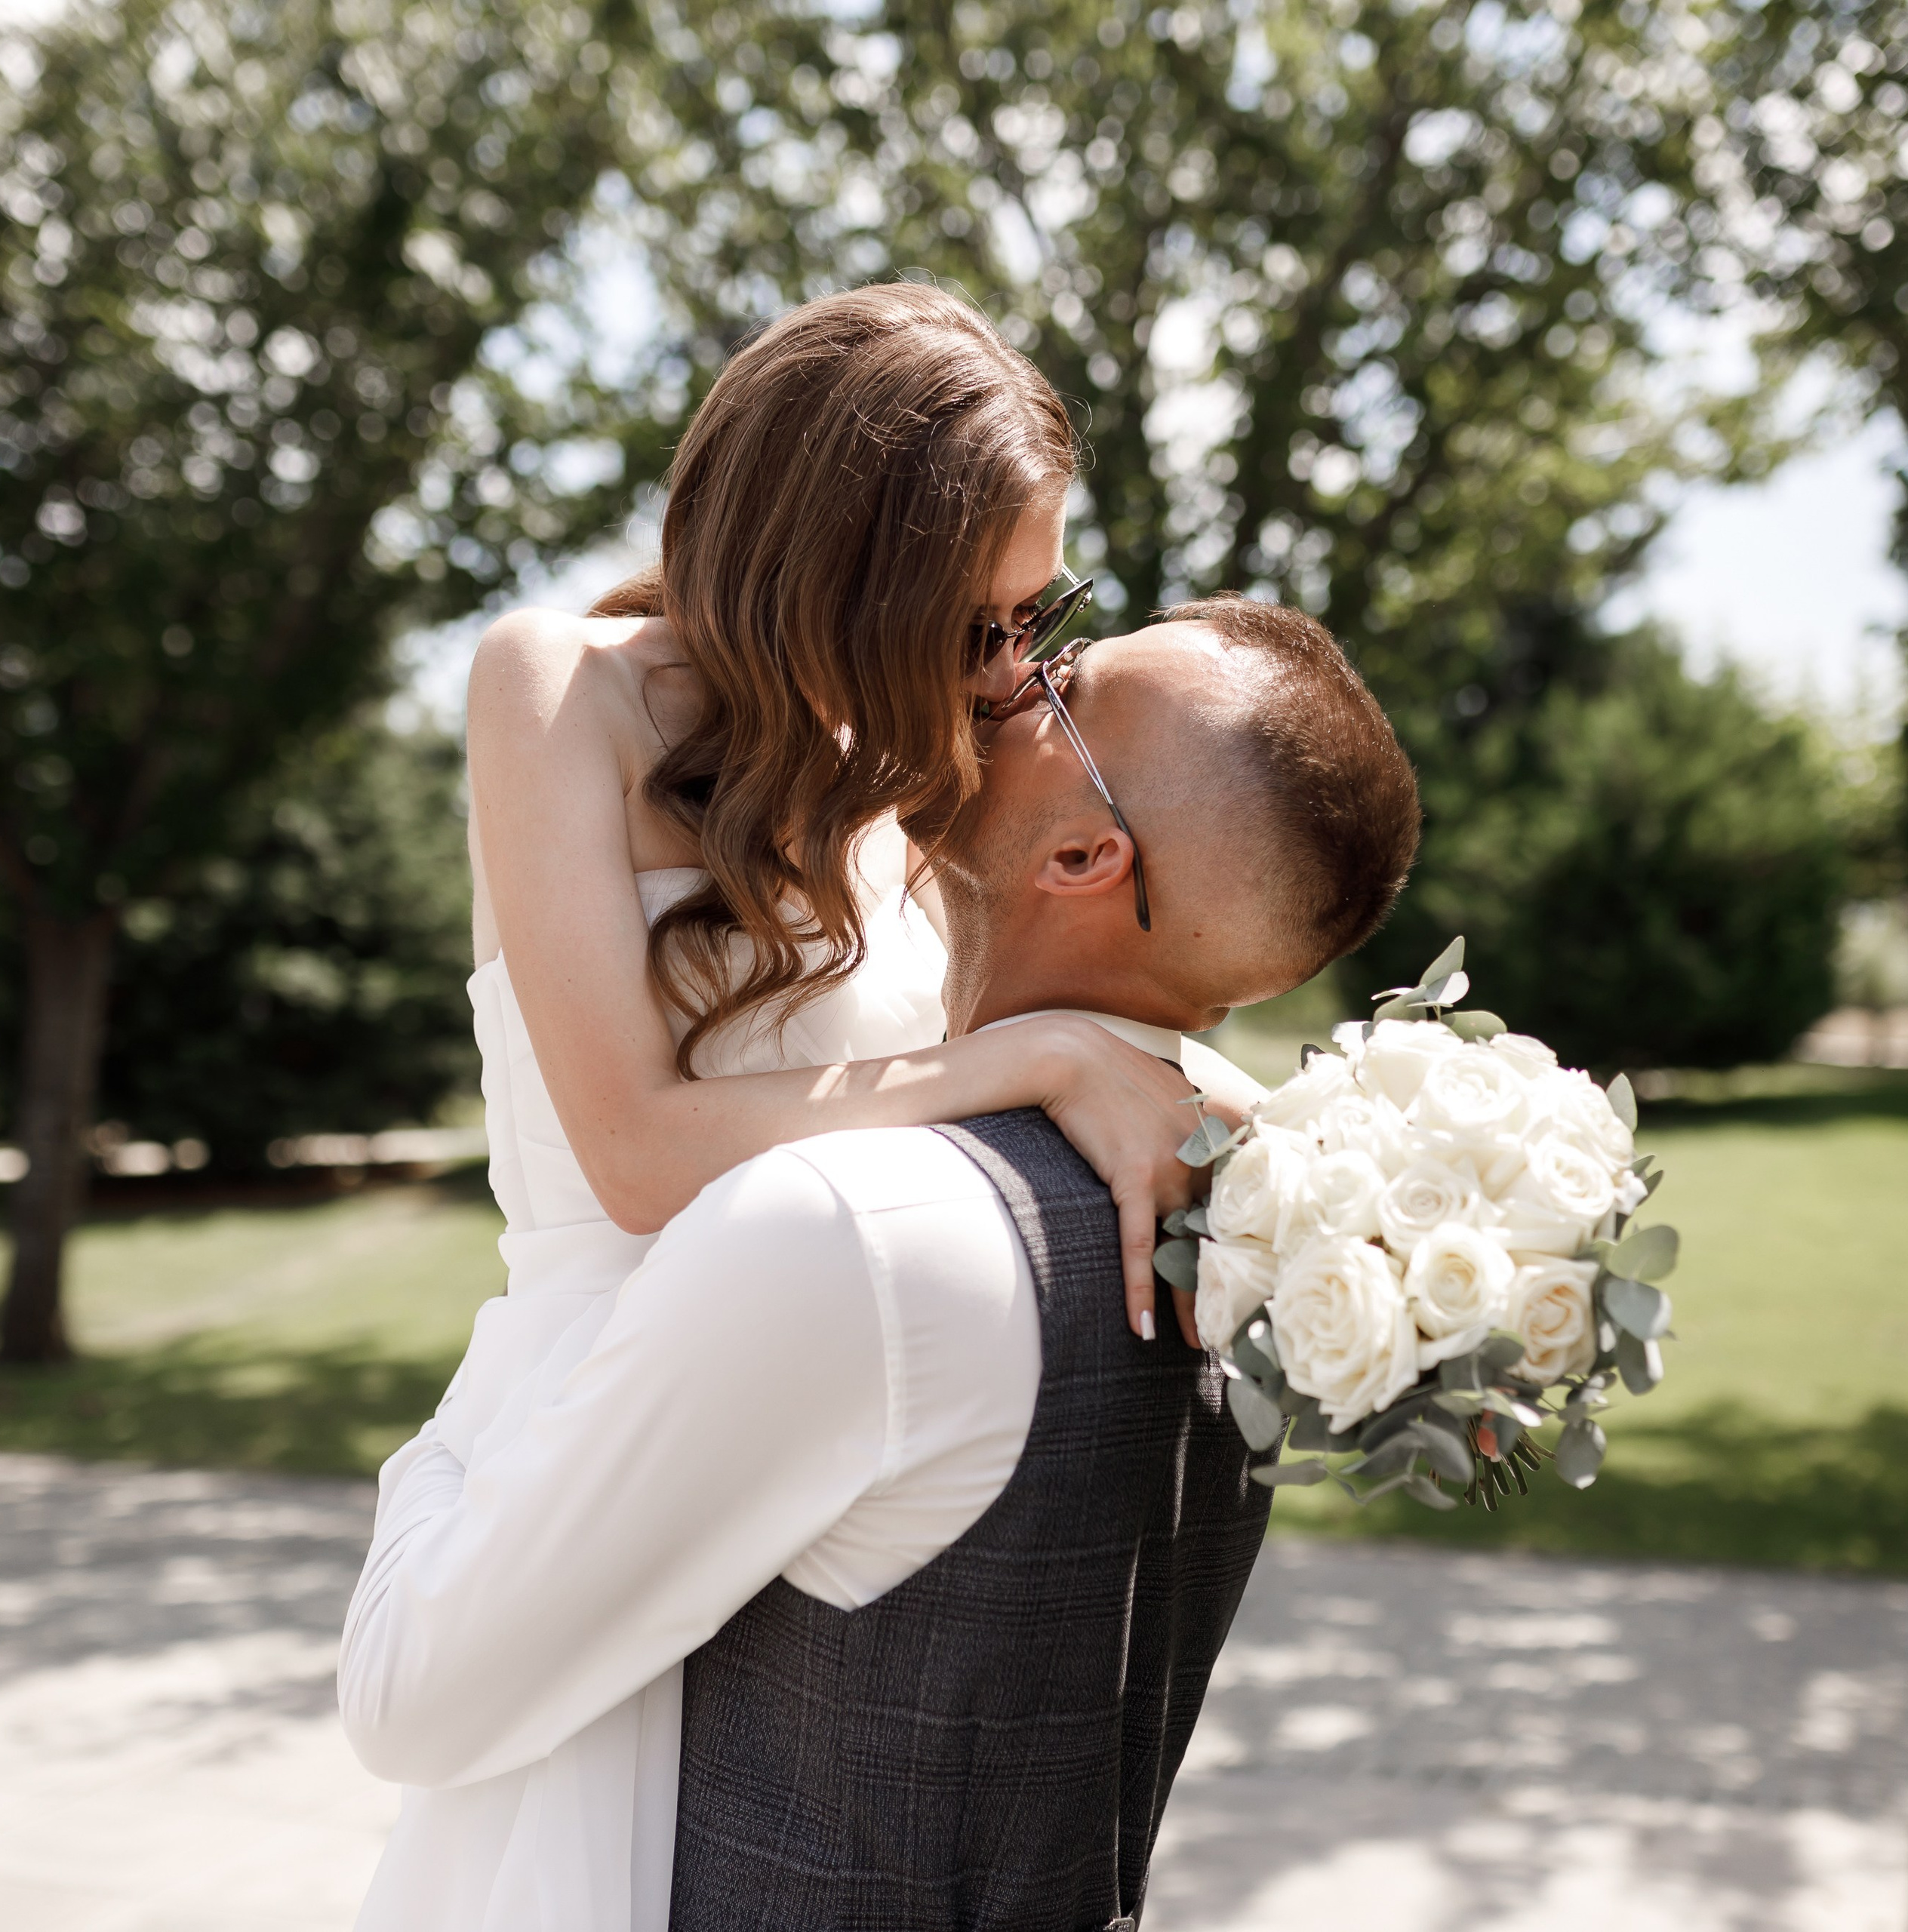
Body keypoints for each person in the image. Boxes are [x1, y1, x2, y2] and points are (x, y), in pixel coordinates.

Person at [380, 283, 1259, 1930]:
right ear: (832, 578)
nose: (1013, 672)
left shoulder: (915, 763)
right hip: (587, 1440)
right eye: (974, 624)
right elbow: (636, 1151)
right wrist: (1036, 1060)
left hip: (807, 1466)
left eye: (1034, 612)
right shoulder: (558, 692)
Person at [340, 595, 1423, 1930]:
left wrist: (540, 1313)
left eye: (1064, 682)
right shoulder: (1257, 1234)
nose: (1011, 676)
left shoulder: (843, 1228)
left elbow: (409, 1693)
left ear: (1086, 855)